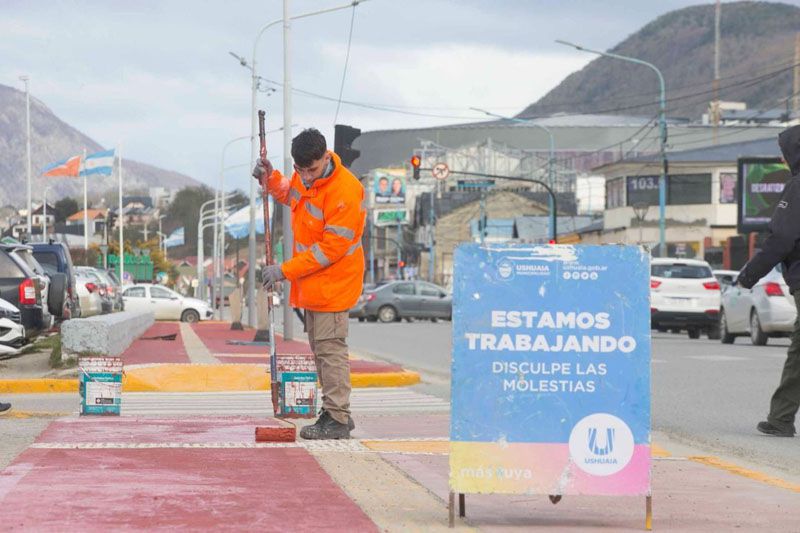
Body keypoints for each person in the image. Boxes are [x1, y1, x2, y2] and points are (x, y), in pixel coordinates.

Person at [253, 128, 366, 440]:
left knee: (330, 351)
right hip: (315, 284)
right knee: (321, 351)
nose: (305, 177)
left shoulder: (345, 191)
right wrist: (270, 178)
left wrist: (284, 271)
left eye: (311, 170)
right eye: (299, 170)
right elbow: (290, 194)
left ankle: (337, 418)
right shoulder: (307, 180)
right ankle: (336, 411)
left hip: (334, 284)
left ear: (326, 157)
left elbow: (329, 250)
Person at [737, 124, 800, 438]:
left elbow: (782, 239)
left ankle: (780, 419)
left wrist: (749, 274)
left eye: (783, 152)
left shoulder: (797, 187)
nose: (781, 159)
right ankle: (780, 418)